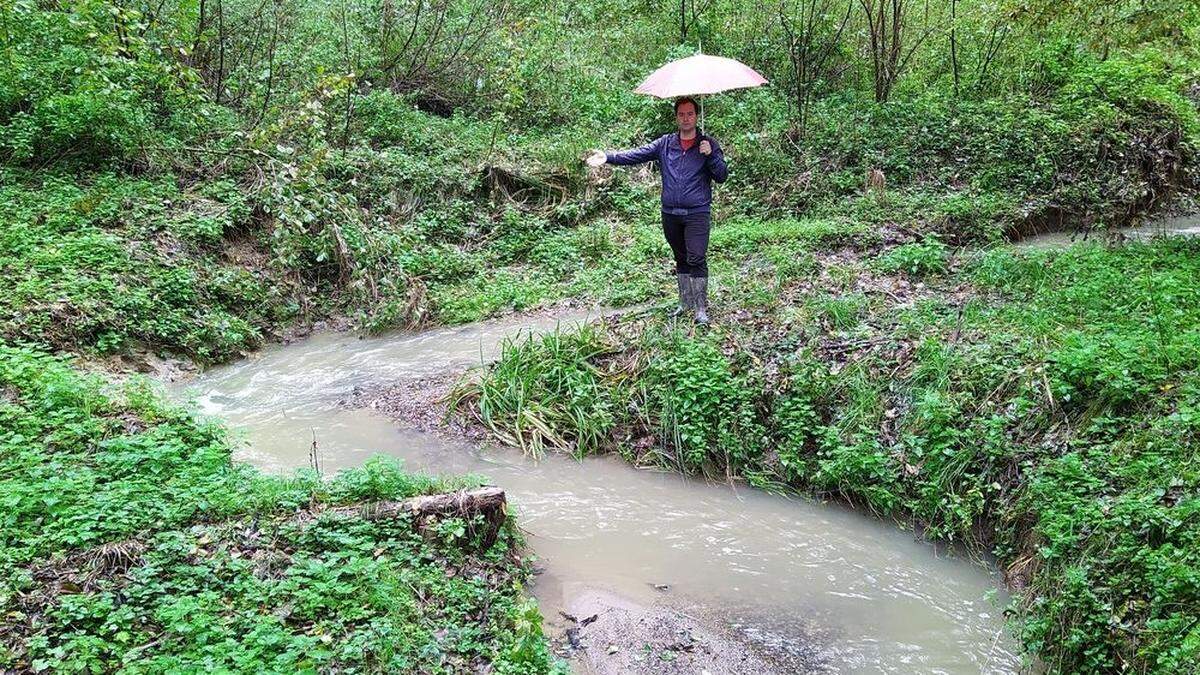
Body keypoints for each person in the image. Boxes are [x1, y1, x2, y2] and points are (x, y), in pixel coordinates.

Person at [585, 97, 727, 324]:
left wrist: (710, 155)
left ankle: (700, 309)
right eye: (681, 114)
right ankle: (684, 303)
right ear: (676, 117)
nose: (686, 118)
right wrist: (609, 157)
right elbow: (637, 154)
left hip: (697, 212)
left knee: (696, 257)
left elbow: (721, 176)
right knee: (680, 257)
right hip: (670, 212)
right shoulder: (665, 143)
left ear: (696, 116)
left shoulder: (708, 143)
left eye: (690, 114)